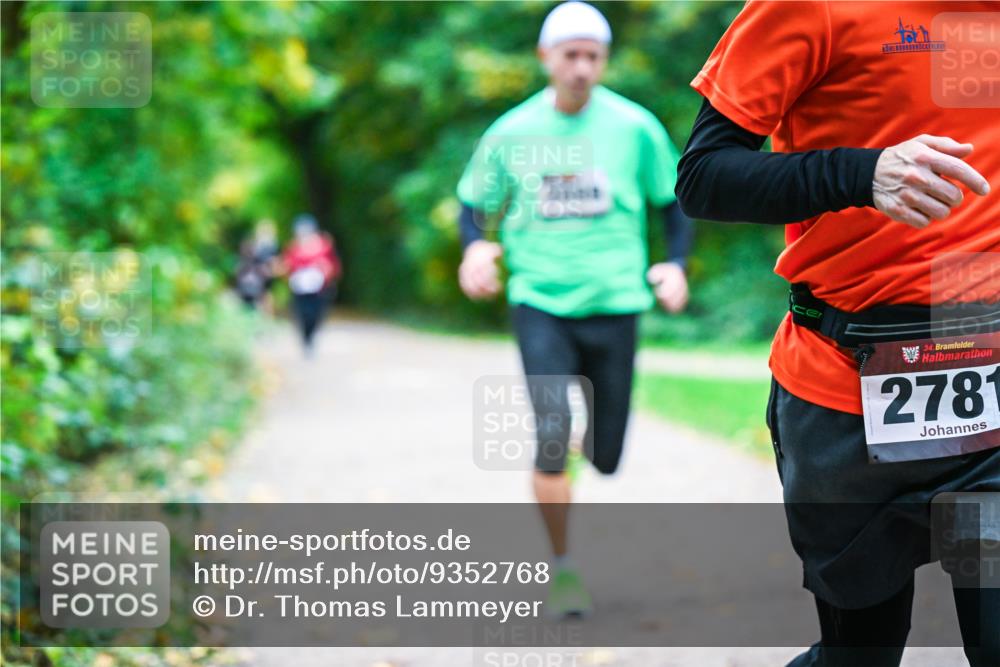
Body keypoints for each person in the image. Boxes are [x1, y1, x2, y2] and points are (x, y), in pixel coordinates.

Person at [675, 2, 998, 665]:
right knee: (862, 654)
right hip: (844, 388)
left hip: (988, 387)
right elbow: (704, 178)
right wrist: (861, 174)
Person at [456, 1, 693, 617]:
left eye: (593, 55)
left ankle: (588, 444)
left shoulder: (634, 127)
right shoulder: (510, 133)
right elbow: (473, 207)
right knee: (552, 434)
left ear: (604, 60)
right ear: (546, 58)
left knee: (607, 456)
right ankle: (562, 568)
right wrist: (477, 248)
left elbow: (672, 202)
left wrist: (676, 265)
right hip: (540, 300)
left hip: (616, 301)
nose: (582, 67)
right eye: (571, 54)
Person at [282, 214, 341, 355]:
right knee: (303, 315)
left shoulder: (323, 246)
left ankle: (311, 337)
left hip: (319, 289)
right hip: (300, 289)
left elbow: (333, 265)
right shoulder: (294, 247)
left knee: (317, 314)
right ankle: (306, 339)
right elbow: (287, 265)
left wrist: (327, 270)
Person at [234, 218, 280, 312]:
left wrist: (270, 270)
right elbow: (244, 260)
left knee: (266, 298)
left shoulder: (274, 246)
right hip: (252, 278)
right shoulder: (252, 244)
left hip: (265, 279)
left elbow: (276, 264)